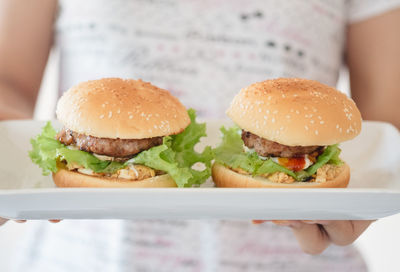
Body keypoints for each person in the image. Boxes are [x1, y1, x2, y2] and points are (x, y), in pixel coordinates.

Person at [0, 0, 399, 271]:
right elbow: (8, 81)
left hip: (303, 259)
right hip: (80, 258)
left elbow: (387, 112)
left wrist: (368, 195)